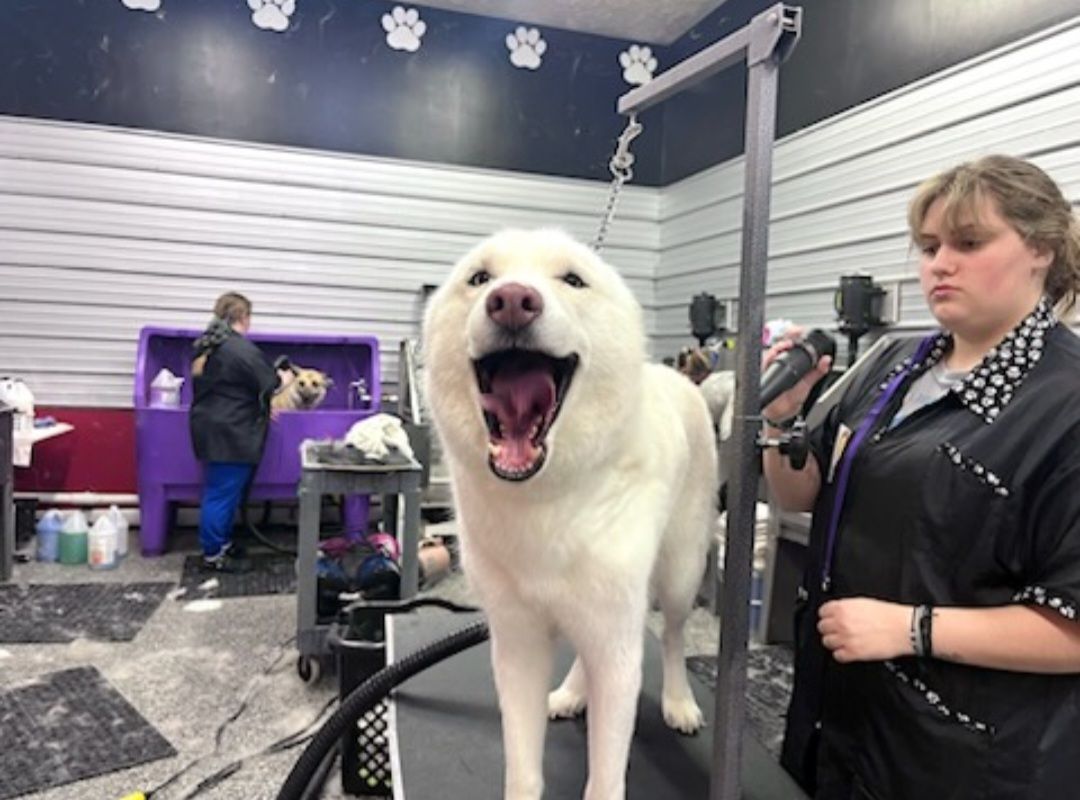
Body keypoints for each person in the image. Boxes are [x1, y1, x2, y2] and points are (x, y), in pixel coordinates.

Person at [763, 155, 1080, 799]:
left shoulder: (1065, 405)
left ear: (1041, 249)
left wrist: (910, 628)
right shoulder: (896, 365)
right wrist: (780, 422)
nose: (940, 263)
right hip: (842, 717)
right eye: (930, 246)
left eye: (968, 243)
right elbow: (799, 491)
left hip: (963, 756)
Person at [189, 292, 292, 572]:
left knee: (224, 491)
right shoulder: (239, 349)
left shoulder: (208, 345)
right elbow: (269, 383)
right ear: (243, 318)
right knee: (221, 493)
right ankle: (213, 555)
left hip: (214, 426)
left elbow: (231, 388)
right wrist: (285, 378)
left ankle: (220, 544)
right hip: (231, 432)